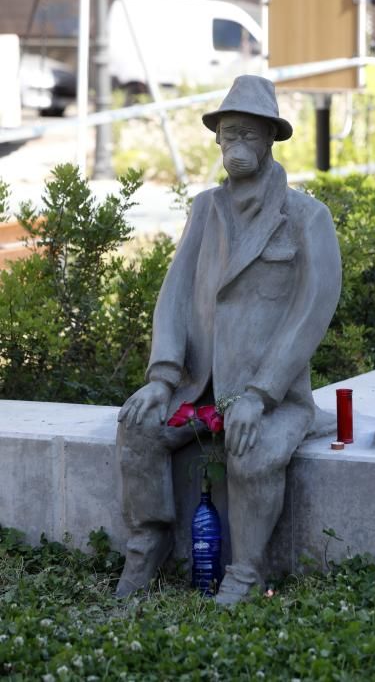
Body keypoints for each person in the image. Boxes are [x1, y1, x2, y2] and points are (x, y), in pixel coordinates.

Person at [116, 75, 342, 604]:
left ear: (269, 138)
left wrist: (262, 394)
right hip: (196, 388)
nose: (234, 142)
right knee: (139, 426)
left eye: (247, 132)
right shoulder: (205, 209)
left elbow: (313, 310)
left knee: (253, 451)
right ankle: (148, 539)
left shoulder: (306, 217)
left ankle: (247, 572)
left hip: (273, 394)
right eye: (226, 133)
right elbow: (173, 294)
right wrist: (162, 376)